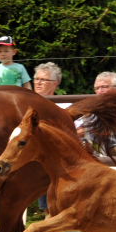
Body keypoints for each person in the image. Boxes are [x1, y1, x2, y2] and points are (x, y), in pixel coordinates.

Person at [33, 62, 85, 214]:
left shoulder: (65, 105)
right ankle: (48, 209)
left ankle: (53, 209)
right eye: (36, 79)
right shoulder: (25, 103)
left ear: (54, 84)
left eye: (43, 79)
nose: (38, 82)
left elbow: (80, 130)